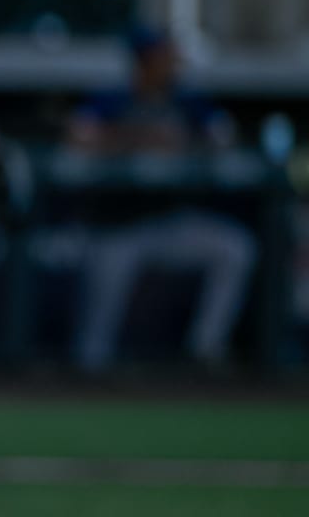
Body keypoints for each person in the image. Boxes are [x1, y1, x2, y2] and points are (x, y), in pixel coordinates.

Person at [66, 25, 255, 374]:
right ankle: (89, 373)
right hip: (117, 225)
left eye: (170, 57)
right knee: (101, 303)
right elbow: (79, 140)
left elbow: (223, 140)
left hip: (171, 223)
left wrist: (183, 142)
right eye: (162, 56)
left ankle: (204, 350)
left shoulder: (188, 100)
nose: (169, 64)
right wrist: (137, 138)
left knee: (234, 248)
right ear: (143, 60)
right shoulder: (111, 99)